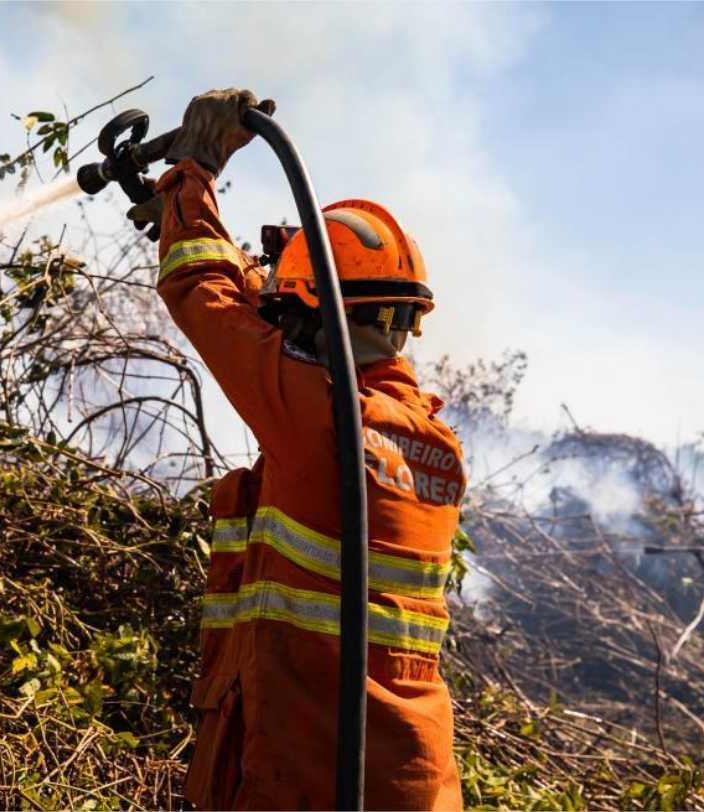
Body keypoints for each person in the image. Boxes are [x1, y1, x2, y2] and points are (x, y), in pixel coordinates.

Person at [133, 89, 465, 810]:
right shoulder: (429, 443)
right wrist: (240, 257)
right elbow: (279, 329)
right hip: (405, 777)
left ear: (313, 317)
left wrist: (194, 172)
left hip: (306, 769)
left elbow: (201, 292)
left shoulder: (322, 422)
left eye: (289, 311)